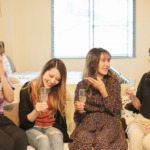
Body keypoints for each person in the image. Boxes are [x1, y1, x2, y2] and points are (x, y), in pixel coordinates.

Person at [69, 48, 128, 150]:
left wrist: (103, 90)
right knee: (83, 137)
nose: (107, 64)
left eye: (108, 61)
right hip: (88, 123)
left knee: (101, 139)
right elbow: (78, 119)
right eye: (103, 60)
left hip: (109, 123)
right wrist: (79, 110)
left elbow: (116, 109)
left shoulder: (114, 82)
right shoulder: (82, 85)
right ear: (93, 63)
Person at [19, 58, 72, 150]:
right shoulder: (27, 88)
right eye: (51, 76)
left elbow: (61, 119)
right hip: (32, 128)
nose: (52, 81)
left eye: (57, 79)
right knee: (43, 141)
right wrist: (36, 111)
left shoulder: (57, 90)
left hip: (51, 127)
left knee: (57, 139)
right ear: (44, 72)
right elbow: (24, 121)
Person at [0, 44, 28, 150]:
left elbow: (10, 98)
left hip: (1, 118)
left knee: (21, 137)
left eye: (1, 54)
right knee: (6, 142)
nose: (0, 58)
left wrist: (2, 76)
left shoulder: (3, 73)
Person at [125, 49, 150, 150]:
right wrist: (131, 96)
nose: (148, 59)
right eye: (149, 55)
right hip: (141, 120)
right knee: (135, 136)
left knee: (147, 141)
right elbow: (139, 105)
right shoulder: (146, 77)